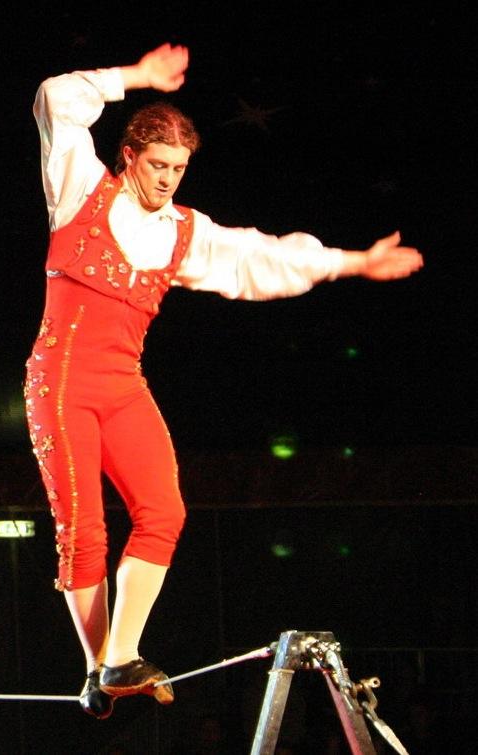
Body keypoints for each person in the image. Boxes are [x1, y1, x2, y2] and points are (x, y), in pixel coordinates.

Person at [25, 43, 423, 720]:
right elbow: (55, 99)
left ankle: (119, 656)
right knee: (83, 529)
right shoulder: (77, 188)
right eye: (158, 165)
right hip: (60, 378)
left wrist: (353, 262)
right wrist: (138, 78)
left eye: (179, 169)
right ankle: (100, 668)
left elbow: (260, 257)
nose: (168, 180)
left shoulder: (184, 232)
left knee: (166, 511)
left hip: (123, 383)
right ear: (129, 155)